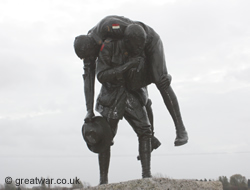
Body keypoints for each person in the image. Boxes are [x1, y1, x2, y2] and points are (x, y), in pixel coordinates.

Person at [74, 15, 188, 146]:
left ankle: (181, 130)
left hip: (148, 42)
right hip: (133, 52)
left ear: (92, 47)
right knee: (135, 88)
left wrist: (153, 71)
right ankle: (151, 138)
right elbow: (88, 79)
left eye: (90, 57)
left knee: (160, 80)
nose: (90, 60)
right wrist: (89, 110)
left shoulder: (109, 27)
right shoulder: (89, 47)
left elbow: (136, 34)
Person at [95, 24, 153, 184]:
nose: (139, 48)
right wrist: (126, 67)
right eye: (136, 45)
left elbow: (150, 72)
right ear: (127, 41)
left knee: (145, 131)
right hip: (112, 95)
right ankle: (103, 180)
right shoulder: (108, 46)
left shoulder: (141, 49)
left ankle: (147, 176)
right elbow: (101, 75)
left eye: (141, 45)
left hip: (132, 94)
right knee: (105, 137)